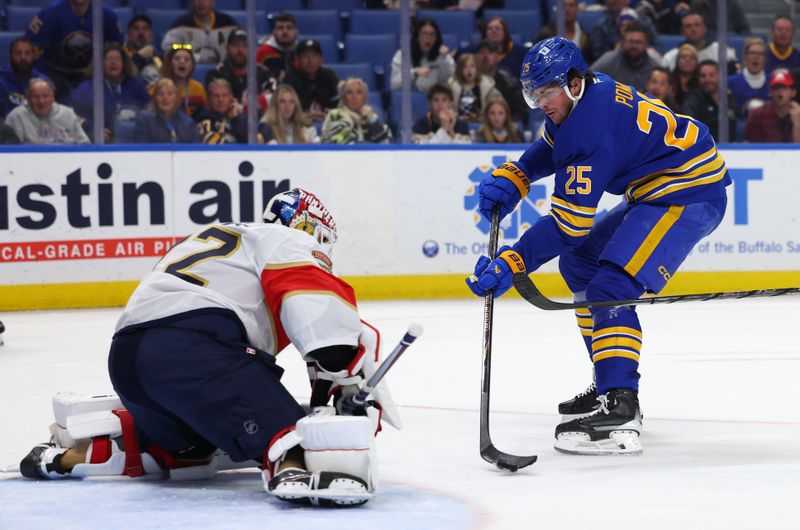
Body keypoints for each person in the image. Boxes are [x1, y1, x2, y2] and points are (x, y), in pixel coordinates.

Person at [17, 188, 399, 507]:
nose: (325, 255)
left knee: (190, 450)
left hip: (129, 359)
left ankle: (75, 456)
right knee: (290, 432)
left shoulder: (222, 240)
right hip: (193, 348)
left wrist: (329, 385)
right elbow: (322, 321)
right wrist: (347, 382)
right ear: (308, 228)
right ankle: (294, 468)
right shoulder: (287, 239)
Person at [467, 37, 730, 456]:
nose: (539, 102)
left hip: (689, 193)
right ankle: (608, 376)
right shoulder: (587, 92)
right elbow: (555, 143)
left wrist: (513, 260)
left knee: (611, 287)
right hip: (659, 186)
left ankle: (620, 406)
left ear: (572, 82)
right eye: (532, 93)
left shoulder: (591, 131)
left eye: (545, 92)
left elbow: (569, 224)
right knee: (580, 263)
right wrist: (519, 173)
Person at [24, 0, 123, 101]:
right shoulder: (50, 13)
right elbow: (31, 48)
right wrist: (43, 78)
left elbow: (118, 47)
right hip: (55, 74)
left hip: (91, 74)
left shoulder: (107, 14)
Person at [70, 42, 150, 142]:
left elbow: (149, 110)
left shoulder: (136, 84)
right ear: (100, 63)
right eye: (108, 59)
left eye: (117, 59)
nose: (113, 62)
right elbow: (77, 117)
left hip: (136, 140)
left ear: (124, 63)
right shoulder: (86, 89)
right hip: (104, 143)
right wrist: (92, 129)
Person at [205, 29, 277, 110]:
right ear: (227, 48)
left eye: (245, 45)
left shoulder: (263, 73)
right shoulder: (216, 74)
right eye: (235, 45)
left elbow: (273, 101)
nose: (240, 50)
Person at [5, 78, 89, 144]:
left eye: (45, 96)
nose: (41, 101)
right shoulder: (16, 117)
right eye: (36, 97)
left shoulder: (68, 114)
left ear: (53, 98)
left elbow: (84, 145)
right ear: (28, 99)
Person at [590, 21, 661, 93]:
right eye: (630, 41)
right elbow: (587, 80)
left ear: (646, 45)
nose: (634, 46)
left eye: (638, 42)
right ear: (622, 43)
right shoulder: (609, 61)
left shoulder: (654, 67)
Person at [161, 0, 239, 65]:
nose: (201, 2)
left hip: (224, 72)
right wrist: (195, 58)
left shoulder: (228, 23)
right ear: (191, 2)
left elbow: (244, 46)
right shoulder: (181, 24)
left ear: (213, 2)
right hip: (190, 71)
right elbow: (169, 48)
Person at [391, 19, 455, 94]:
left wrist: (443, 59)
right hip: (410, 98)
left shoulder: (443, 56)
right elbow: (394, 84)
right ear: (417, 37)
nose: (428, 37)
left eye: (432, 34)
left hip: (435, 99)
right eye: (424, 33)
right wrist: (414, 73)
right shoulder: (402, 55)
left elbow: (451, 79)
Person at [661, 10, 737, 74]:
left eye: (697, 25)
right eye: (688, 26)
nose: (693, 29)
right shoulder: (670, 58)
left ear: (705, 28)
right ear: (682, 31)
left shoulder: (722, 52)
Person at [321, 77, 392, 144]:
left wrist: (372, 120)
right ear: (343, 98)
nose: (354, 96)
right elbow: (346, 144)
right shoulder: (335, 115)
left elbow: (385, 143)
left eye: (359, 92)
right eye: (349, 92)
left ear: (364, 98)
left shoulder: (371, 116)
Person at [474, 39, 528, 123]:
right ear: (475, 57)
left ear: (498, 57)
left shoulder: (508, 82)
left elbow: (521, 113)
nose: (485, 56)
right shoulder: (467, 81)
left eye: (489, 52)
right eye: (481, 52)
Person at [682, 59, 736, 141]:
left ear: (719, 76)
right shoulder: (694, 99)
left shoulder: (728, 98)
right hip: (704, 149)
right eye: (703, 76)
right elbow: (690, 124)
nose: (707, 80)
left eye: (711, 75)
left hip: (732, 149)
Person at [285, 39, 338, 122]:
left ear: (321, 60)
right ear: (298, 60)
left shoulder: (329, 76)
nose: (310, 60)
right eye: (305, 56)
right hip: (298, 124)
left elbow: (338, 102)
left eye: (314, 55)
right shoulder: (290, 79)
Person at [588, 0, 656, 65]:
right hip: (613, 66)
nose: (616, 0)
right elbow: (599, 56)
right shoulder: (601, 27)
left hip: (642, 62)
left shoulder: (645, 21)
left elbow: (655, 44)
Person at [134, 78, 199, 143]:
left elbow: (194, 151)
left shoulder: (188, 123)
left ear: (176, 98)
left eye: (170, 94)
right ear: (154, 98)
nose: (165, 98)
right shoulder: (145, 119)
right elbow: (143, 149)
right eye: (160, 94)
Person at [0, 37, 50, 119]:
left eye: (27, 53)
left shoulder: (43, 81)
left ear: (33, 56)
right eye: (18, 53)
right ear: (10, 56)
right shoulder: (1, 77)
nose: (23, 57)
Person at [744, 69, 800, 143]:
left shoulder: (798, 114)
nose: (780, 91)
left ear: (793, 92)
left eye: (784, 88)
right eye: (776, 88)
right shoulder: (757, 115)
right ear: (770, 92)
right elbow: (753, 148)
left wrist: (797, 124)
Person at [158, 45, 207, 118]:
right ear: (170, 64)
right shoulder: (158, 87)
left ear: (192, 66)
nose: (182, 62)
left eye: (187, 59)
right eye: (177, 59)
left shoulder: (198, 88)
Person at [449, 53, 500, 123]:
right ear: (460, 70)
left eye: (472, 66)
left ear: (477, 68)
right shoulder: (451, 87)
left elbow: (498, 106)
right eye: (465, 67)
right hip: (457, 124)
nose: (469, 70)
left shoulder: (487, 87)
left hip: (482, 124)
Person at [727, 38, 769, 120]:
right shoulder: (731, 82)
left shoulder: (773, 82)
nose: (756, 57)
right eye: (752, 53)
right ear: (745, 57)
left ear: (765, 59)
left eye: (760, 54)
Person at [195, 78, 247, 144]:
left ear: (231, 97)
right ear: (208, 99)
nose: (221, 100)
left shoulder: (242, 119)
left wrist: (235, 119)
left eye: (224, 95)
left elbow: (248, 143)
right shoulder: (203, 118)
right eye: (216, 96)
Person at [257, 12, 299, 82]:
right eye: (280, 28)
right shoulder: (263, 51)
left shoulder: (300, 51)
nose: (285, 31)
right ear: (273, 32)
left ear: (296, 32)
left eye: (289, 28)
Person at [124, 15, 162, 87]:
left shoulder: (158, 58)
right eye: (136, 29)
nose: (141, 33)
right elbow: (124, 75)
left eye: (145, 29)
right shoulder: (121, 55)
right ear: (128, 33)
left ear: (151, 35)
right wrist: (139, 57)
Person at [670, 43, 700, 110]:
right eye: (683, 57)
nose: (687, 60)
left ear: (697, 62)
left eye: (692, 58)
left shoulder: (701, 82)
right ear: (677, 61)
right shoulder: (669, 81)